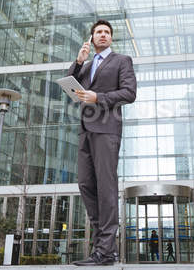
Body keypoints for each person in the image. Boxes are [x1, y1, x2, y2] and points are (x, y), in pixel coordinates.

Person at [68, 20, 137, 266]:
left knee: (106, 188)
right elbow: (70, 85)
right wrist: (78, 61)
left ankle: (105, 251)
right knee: (86, 184)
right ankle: (102, 247)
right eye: (99, 32)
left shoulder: (121, 61)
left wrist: (99, 97)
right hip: (85, 130)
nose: (103, 35)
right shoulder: (86, 66)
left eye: (107, 32)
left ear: (111, 38)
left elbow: (130, 93)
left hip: (107, 130)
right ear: (92, 38)